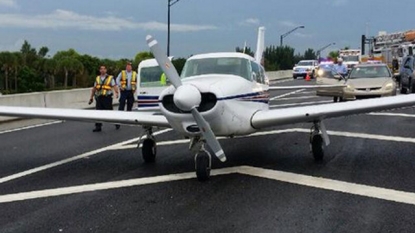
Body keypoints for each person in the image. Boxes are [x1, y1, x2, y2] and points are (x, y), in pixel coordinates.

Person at [89, 65, 119, 132]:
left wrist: (117, 93)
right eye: (101, 69)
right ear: (99, 70)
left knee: (110, 112)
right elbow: (94, 88)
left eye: (104, 69)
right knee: (98, 112)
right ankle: (98, 126)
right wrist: (91, 97)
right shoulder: (97, 78)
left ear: (106, 70)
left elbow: (114, 86)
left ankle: (117, 123)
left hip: (107, 98)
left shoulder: (110, 78)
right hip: (99, 97)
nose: (102, 70)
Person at [115, 61, 137, 129]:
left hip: (131, 91)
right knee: (122, 104)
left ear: (131, 67)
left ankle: (128, 118)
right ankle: (119, 120)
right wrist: (120, 86)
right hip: (124, 91)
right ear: (126, 67)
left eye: (130, 66)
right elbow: (117, 80)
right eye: (127, 66)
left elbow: (138, 80)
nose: (128, 67)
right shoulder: (122, 73)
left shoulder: (134, 73)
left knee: (130, 104)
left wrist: (135, 88)